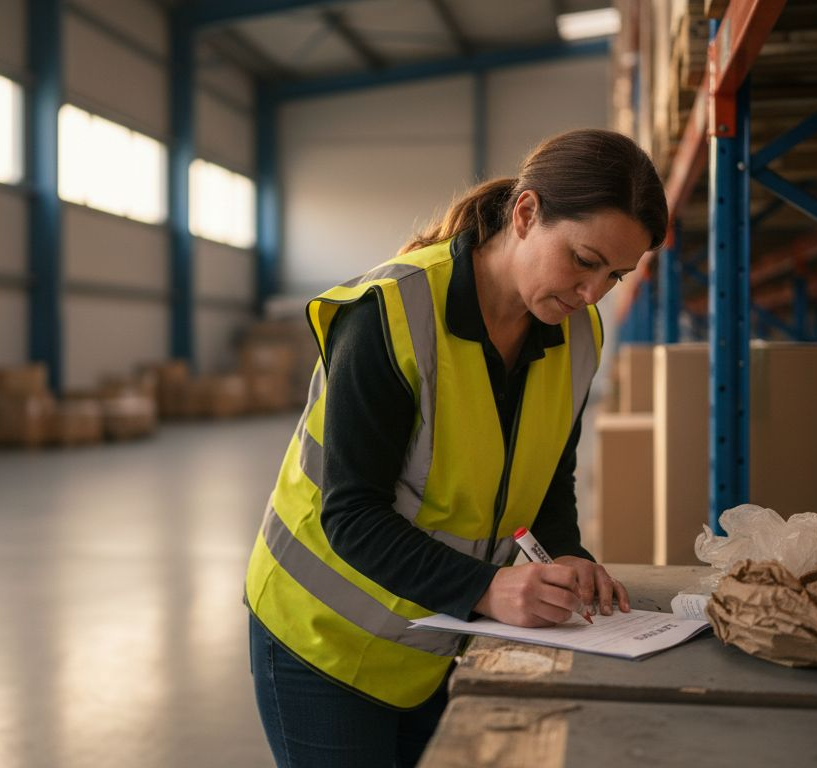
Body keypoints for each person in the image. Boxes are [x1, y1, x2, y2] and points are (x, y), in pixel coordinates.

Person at [244, 128, 669, 767]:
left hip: (438, 636)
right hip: (322, 638)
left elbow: (549, 480)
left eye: (616, 275)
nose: (594, 293)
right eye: (584, 260)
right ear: (526, 213)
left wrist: (566, 553)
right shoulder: (391, 313)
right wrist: (488, 589)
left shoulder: (577, 335)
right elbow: (351, 514)